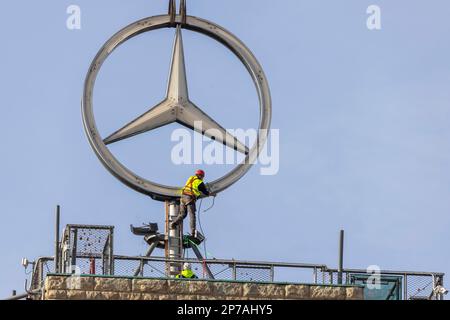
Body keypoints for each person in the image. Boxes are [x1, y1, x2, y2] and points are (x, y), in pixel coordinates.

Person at [170, 169, 214, 236]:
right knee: (192, 215)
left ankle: (174, 223)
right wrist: (211, 194)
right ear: (201, 176)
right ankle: (193, 232)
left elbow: (193, 187)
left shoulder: (191, 178)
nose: (202, 178)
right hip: (189, 198)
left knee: (183, 214)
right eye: (202, 176)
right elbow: (205, 191)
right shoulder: (199, 182)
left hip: (183, 197)